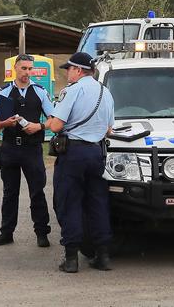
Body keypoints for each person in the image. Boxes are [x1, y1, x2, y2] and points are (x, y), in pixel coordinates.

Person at [45, 52, 115, 273]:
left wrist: (47, 123)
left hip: (73, 154)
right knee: (97, 204)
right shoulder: (106, 92)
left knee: (69, 203)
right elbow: (109, 129)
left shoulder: (73, 91)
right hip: (96, 153)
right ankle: (102, 256)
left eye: (69, 69)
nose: (67, 74)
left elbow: (56, 126)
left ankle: (71, 259)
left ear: (78, 70)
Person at [0, 54, 54, 247]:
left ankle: (42, 232)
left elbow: (53, 119)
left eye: (30, 69)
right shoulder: (4, 92)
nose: (27, 72)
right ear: (15, 69)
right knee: (10, 192)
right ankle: (6, 232)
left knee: (37, 191)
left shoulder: (40, 92)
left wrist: (39, 127)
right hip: (9, 148)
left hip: (31, 148)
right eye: (23, 68)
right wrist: (4, 123)